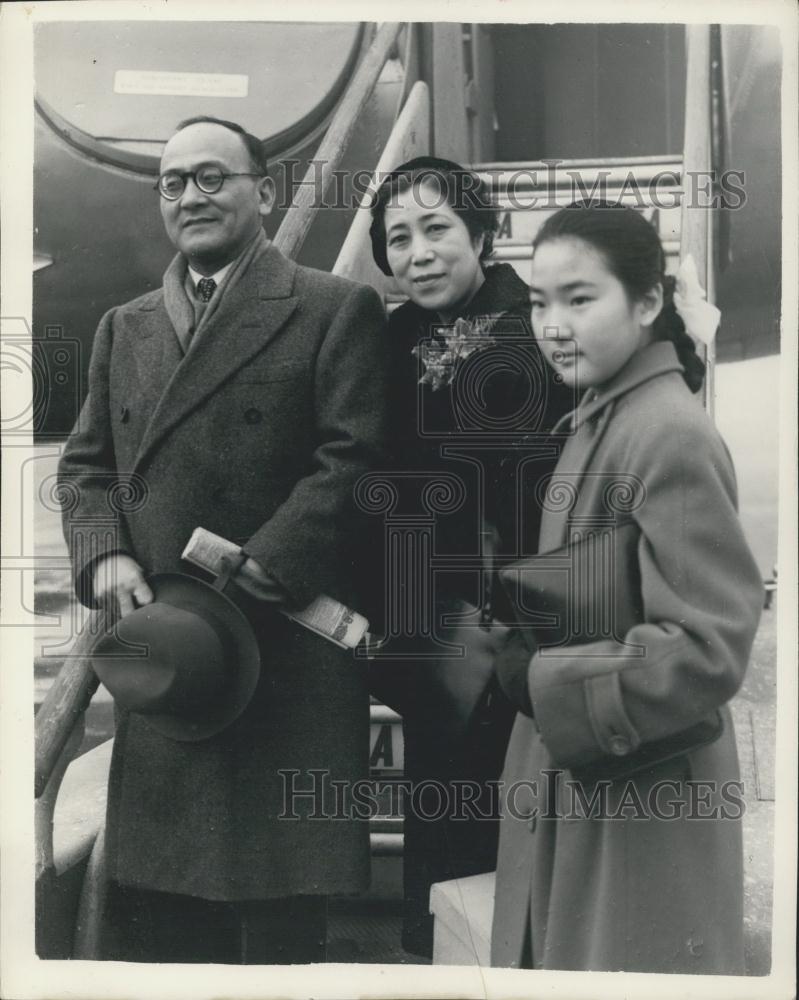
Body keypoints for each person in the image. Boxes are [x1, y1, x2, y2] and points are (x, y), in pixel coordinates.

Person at [57, 115, 387, 963]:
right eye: (173, 182)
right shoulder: (121, 327)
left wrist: (263, 563)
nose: (190, 197)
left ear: (263, 191)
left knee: (278, 923)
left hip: (281, 652)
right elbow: (86, 469)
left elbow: (354, 460)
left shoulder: (331, 306)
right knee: (168, 919)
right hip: (172, 658)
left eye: (212, 177)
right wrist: (106, 553)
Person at [490, 202, 764, 973]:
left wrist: (544, 681)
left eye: (579, 299)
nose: (552, 324)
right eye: (539, 303)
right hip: (589, 781)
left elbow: (709, 646)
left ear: (647, 304)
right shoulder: (601, 417)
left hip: (638, 802)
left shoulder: (665, 430)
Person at [367, 157, 573, 957]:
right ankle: (437, 958)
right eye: (396, 238)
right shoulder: (395, 334)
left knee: (494, 829)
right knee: (441, 819)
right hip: (428, 621)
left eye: (436, 229)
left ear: (481, 234)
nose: (416, 253)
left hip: (508, 623)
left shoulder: (530, 326)